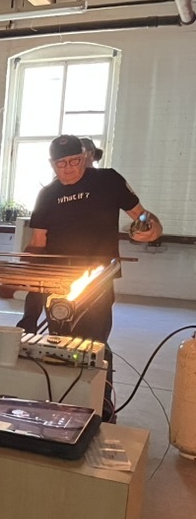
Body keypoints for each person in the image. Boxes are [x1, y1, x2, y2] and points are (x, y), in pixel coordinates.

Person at [21, 134, 161, 420]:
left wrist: (152, 229)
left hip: (97, 279)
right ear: (52, 164)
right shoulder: (47, 194)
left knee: (95, 343)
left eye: (74, 161)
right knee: (60, 343)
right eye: (61, 164)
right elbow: (38, 243)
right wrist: (27, 292)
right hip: (59, 281)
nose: (69, 168)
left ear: (85, 157)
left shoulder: (107, 181)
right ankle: (64, 401)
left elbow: (143, 217)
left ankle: (102, 406)